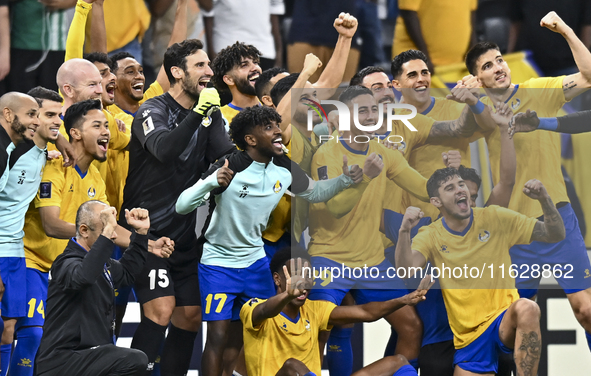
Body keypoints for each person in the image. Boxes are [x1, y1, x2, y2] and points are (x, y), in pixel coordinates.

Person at [175, 105, 362, 376]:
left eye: (277, 125)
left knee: (258, 330)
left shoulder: (284, 167)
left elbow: (315, 193)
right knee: (217, 336)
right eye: (269, 128)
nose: (278, 131)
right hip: (218, 262)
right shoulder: (229, 165)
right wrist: (211, 182)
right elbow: (182, 205)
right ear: (250, 140)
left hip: (254, 261)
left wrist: (345, 180)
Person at [464, 10, 591, 351]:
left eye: (499, 60)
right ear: (477, 78)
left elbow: (589, 75)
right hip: (514, 230)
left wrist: (564, 29)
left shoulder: (539, 89)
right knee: (515, 318)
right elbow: (482, 122)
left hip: (558, 220)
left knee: (587, 310)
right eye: (486, 66)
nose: (497, 67)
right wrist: (469, 98)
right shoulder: (477, 110)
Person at [119, 39, 235, 375]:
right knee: (161, 311)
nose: (209, 72)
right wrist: (200, 114)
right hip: (146, 233)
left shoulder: (209, 114)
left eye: (209, 65)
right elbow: (164, 149)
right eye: (200, 66)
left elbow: (225, 155)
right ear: (175, 72)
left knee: (190, 316)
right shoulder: (151, 111)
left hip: (186, 237)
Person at [395, 169, 566, 375]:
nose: (460, 190)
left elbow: (555, 234)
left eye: (461, 184)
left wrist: (545, 200)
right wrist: (404, 231)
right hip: (469, 339)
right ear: (436, 202)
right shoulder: (431, 235)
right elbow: (405, 271)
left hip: (503, 320)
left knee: (527, 308)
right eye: (450, 188)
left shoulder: (495, 216)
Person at [241, 247, 433, 376]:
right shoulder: (253, 306)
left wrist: (403, 300)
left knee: (397, 362)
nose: (303, 282)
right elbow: (264, 310)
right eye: (297, 275)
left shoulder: (316, 309)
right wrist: (288, 295)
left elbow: (366, 312)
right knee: (293, 366)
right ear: (277, 279)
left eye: (308, 276)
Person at [35, 202, 151, 376]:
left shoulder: (103, 265)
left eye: (113, 228)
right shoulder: (65, 262)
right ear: (84, 230)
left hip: (90, 358)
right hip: (61, 361)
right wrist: (108, 231)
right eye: (106, 228)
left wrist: (141, 234)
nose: (113, 236)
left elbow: (127, 272)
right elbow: (84, 276)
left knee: (133, 362)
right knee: (135, 360)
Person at [0, 87, 61, 376]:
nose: (38, 121)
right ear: (8, 114)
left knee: (9, 326)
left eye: (41, 115)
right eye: (33, 115)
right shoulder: (5, 153)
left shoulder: (24, 149)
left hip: (14, 253)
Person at [393, 0, 477, 71]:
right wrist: (423, 57)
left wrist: (473, 53)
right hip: (417, 63)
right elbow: (408, 13)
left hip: (457, 67)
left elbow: (471, 13)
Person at [203, 0, 284, 69]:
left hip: (264, 52)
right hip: (227, 50)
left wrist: (279, 54)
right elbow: (208, 13)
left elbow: (274, 14)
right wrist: (211, 53)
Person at [211, 42, 263, 123]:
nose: (255, 68)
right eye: (244, 65)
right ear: (229, 79)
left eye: (255, 62)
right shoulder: (219, 119)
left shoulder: (275, 105)